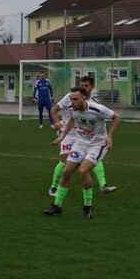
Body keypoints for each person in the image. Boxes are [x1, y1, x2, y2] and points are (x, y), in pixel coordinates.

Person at [44, 87, 121, 219]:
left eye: (75, 99)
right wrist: (62, 136)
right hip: (81, 143)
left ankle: (88, 206)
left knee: (83, 170)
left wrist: (110, 136)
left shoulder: (97, 109)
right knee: (66, 172)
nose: (72, 102)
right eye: (71, 99)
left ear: (84, 98)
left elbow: (116, 117)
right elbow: (72, 120)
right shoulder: (72, 108)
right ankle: (57, 205)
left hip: (97, 145)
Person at [79, 75, 117, 194]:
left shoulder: (95, 104)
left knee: (93, 159)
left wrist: (108, 136)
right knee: (66, 164)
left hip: (92, 139)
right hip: (75, 137)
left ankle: (103, 186)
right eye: (82, 86)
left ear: (92, 87)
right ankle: (55, 188)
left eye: (86, 86)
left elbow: (111, 117)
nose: (84, 88)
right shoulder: (73, 100)